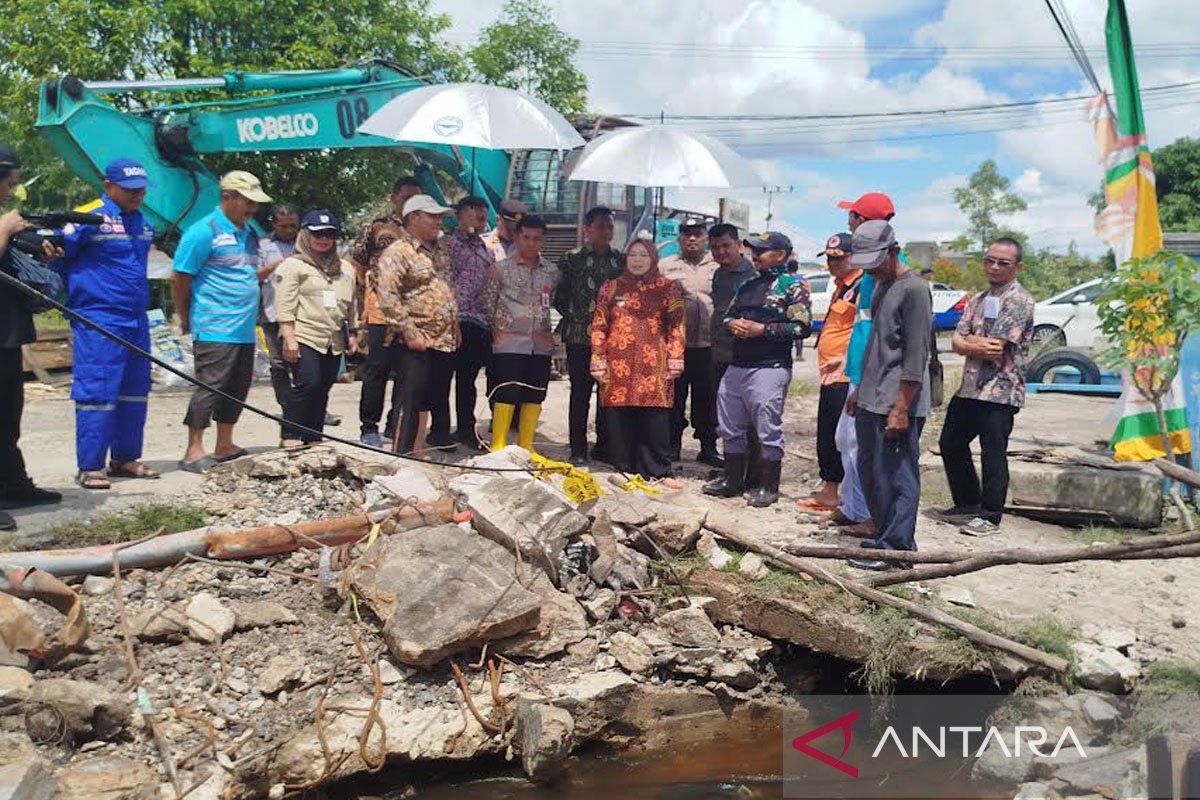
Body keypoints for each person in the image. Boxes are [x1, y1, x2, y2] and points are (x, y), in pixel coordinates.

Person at [52, 158, 158, 490]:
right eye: (129, 190)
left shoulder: (142, 222)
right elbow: (53, 255)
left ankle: (125, 458)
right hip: (98, 319)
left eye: (141, 190)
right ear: (108, 186)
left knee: (134, 390)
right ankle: (90, 465)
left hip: (135, 319)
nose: (136, 196)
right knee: (97, 391)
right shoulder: (86, 217)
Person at [845, 220, 932, 571]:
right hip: (872, 394)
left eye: (875, 260)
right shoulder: (882, 285)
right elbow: (876, 345)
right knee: (872, 472)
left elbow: (916, 354)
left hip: (897, 400)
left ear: (893, 251)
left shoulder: (915, 289)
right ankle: (884, 535)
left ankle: (897, 549)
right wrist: (859, 389)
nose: (870, 268)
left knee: (897, 477)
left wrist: (901, 407)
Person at [172, 170, 271, 472]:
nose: (253, 209)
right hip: (214, 325)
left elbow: (245, 274)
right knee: (210, 386)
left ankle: (224, 443)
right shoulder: (203, 231)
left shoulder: (248, 233)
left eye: (255, 203)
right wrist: (185, 317)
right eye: (247, 202)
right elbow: (180, 277)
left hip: (243, 328)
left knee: (237, 386)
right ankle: (193, 449)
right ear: (227, 197)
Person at [704, 231, 811, 507]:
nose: (755, 255)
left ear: (780, 255)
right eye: (753, 250)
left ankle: (767, 485)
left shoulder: (792, 286)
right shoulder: (748, 283)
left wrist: (762, 329)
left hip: (769, 366)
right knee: (729, 424)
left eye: (761, 251)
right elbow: (728, 315)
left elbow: (801, 327)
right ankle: (732, 479)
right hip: (737, 363)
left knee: (766, 426)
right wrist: (732, 324)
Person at [939, 237, 1034, 537]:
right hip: (970, 388)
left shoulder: (1019, 300)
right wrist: (968, 343)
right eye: (990, 260)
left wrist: (966, 341)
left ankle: (990, 516)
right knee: (950, 442)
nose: (994, 267)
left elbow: (995, 347)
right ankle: (968, 502)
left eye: (1003, 263)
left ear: (1017, 267)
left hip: (1000, 391)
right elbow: (955, 340)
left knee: (993, 452)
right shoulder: (978, 299)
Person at [0, 143, 62, 529]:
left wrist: (35, 250)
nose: (10, 191)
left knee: (8, 417)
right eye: (8, 183)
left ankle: (12, 484)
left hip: (7, 333)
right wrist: (6, 228)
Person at [590, 236, 685, 478]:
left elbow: (676, 325)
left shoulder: (668, 288)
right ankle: (623, 468)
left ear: (653, 258)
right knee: (619, 416)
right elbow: (599, 324)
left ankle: (657, 470)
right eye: (633, 255)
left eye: (643, 255)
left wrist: (676, 357)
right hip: (617, 364)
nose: (637, 260)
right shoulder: (611, 287)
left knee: (654, 415)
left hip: (653, 364)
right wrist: (597, 358)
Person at [830, 192, 895, 536]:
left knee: (863, 444)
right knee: (846, 440)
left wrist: (869, 370)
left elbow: (881, 327)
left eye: (852, 215)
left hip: (873, 371)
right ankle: (853, 506)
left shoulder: (885, 265)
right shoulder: (869, 266)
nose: (848, 221)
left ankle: (870, 514)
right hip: (858, 366)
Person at [375, 195, 458, 455]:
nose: (439, 222)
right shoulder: (398, 252)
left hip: (442, 339)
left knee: (428, 398)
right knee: (409, 399)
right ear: (413, 217)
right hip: (413, 339)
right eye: (433, 216)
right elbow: (387, 296)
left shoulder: (440, 251)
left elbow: (446, 289)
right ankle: (402, 453)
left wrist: (455, 325)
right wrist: (410, 333)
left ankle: (417, 451)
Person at [351, 175, 423, 447]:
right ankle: (369, 427)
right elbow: (357, 264)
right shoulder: (376, 227)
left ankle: (396, 425)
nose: (410, 203)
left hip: (413, 312)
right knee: (376, 369)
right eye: (406, 197)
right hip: (380, 309)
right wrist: (363, 302)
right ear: (394, 198)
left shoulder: (423, 230)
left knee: (407, 372)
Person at [275, 210, 356, 449]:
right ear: (306, 235)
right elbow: (285, 304)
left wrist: (353, 332)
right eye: (318, 234)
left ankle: (313, 437)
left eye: (329, 234)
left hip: (333, 339)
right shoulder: (293, 265)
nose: (324, 239)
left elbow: (352, 304)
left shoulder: (346, 269)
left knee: (322, 388)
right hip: (304, 335)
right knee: (307, 383)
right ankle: (290, 434)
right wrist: (289, 337)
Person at [797, 233, 862, 513]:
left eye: (839, 258)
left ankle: (843, 494)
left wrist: (845, 359)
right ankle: (831, 490)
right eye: (829, 259)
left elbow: (864, 329)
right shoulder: (841, 285)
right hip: (830, 374)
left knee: (841, 436)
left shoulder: (862, 286)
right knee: (828, 432)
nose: (833, 264)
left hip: (846, 374)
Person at [482, 215, 559, 452]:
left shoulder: (552, 272)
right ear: (516, 237)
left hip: (540, 344)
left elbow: (552, 301)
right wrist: (499, 330)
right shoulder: (500, 269)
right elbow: (488, 303)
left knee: (535, 393)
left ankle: (526, 446)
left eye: (537, 238)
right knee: (506, 392)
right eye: (526, 237)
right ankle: (498, 444)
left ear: (543, 240)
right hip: (508, 343)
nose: (531, 243)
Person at [554, 206, 623, 464]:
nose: (606, 231)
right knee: (580, 394)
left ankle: (604, 447)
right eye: (601, 226)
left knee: (608, 394)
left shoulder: (621, 261)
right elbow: (559, 295)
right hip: (579, 337)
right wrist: (577, 315)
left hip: (612, 339)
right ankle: (578, 449)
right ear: (587, 229)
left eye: (610, 226)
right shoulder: (572, 259)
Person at [659, 218, 722, 466]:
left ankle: (708, 446)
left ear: (706, 238)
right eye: (687, 234)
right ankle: (671, 445)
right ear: (679, 238)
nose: (692, 239)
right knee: (674, 397)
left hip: (709, 345)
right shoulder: (666, 265)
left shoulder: (717, 264)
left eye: (697, 234)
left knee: (707, 398)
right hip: (676, 346)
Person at [707, 223, 760, 483]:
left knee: (748, 418)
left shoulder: (752, 275)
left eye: (726, 246)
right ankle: (734, 470)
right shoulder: (719, 274)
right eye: (715, 247)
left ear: (738, 245)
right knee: (727, 416)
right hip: (719, 352)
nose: (720, 252)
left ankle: (753, 474)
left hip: (744, 355)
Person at [444, 196, 494, 450]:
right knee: (442, 378)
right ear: (459, 215)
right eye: (473, 213)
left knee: (468, 380)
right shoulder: (447, 244)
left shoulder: (486, 249)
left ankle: (466, 429)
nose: (478, 219)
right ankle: (439, 430)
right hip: (452, 319)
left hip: (479, 321)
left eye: (483, 215)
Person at [257, 203, 299, 412]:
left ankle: (311, 406)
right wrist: (275, 265)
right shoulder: (262, 245)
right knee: (278, 363)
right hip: (272, 311)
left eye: (293, 226)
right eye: (284, 226)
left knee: (305, 362)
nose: (289, 230)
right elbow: (254, 276)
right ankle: (287, 407)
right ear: (274, 224)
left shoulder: (306, 242)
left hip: (302, 313)